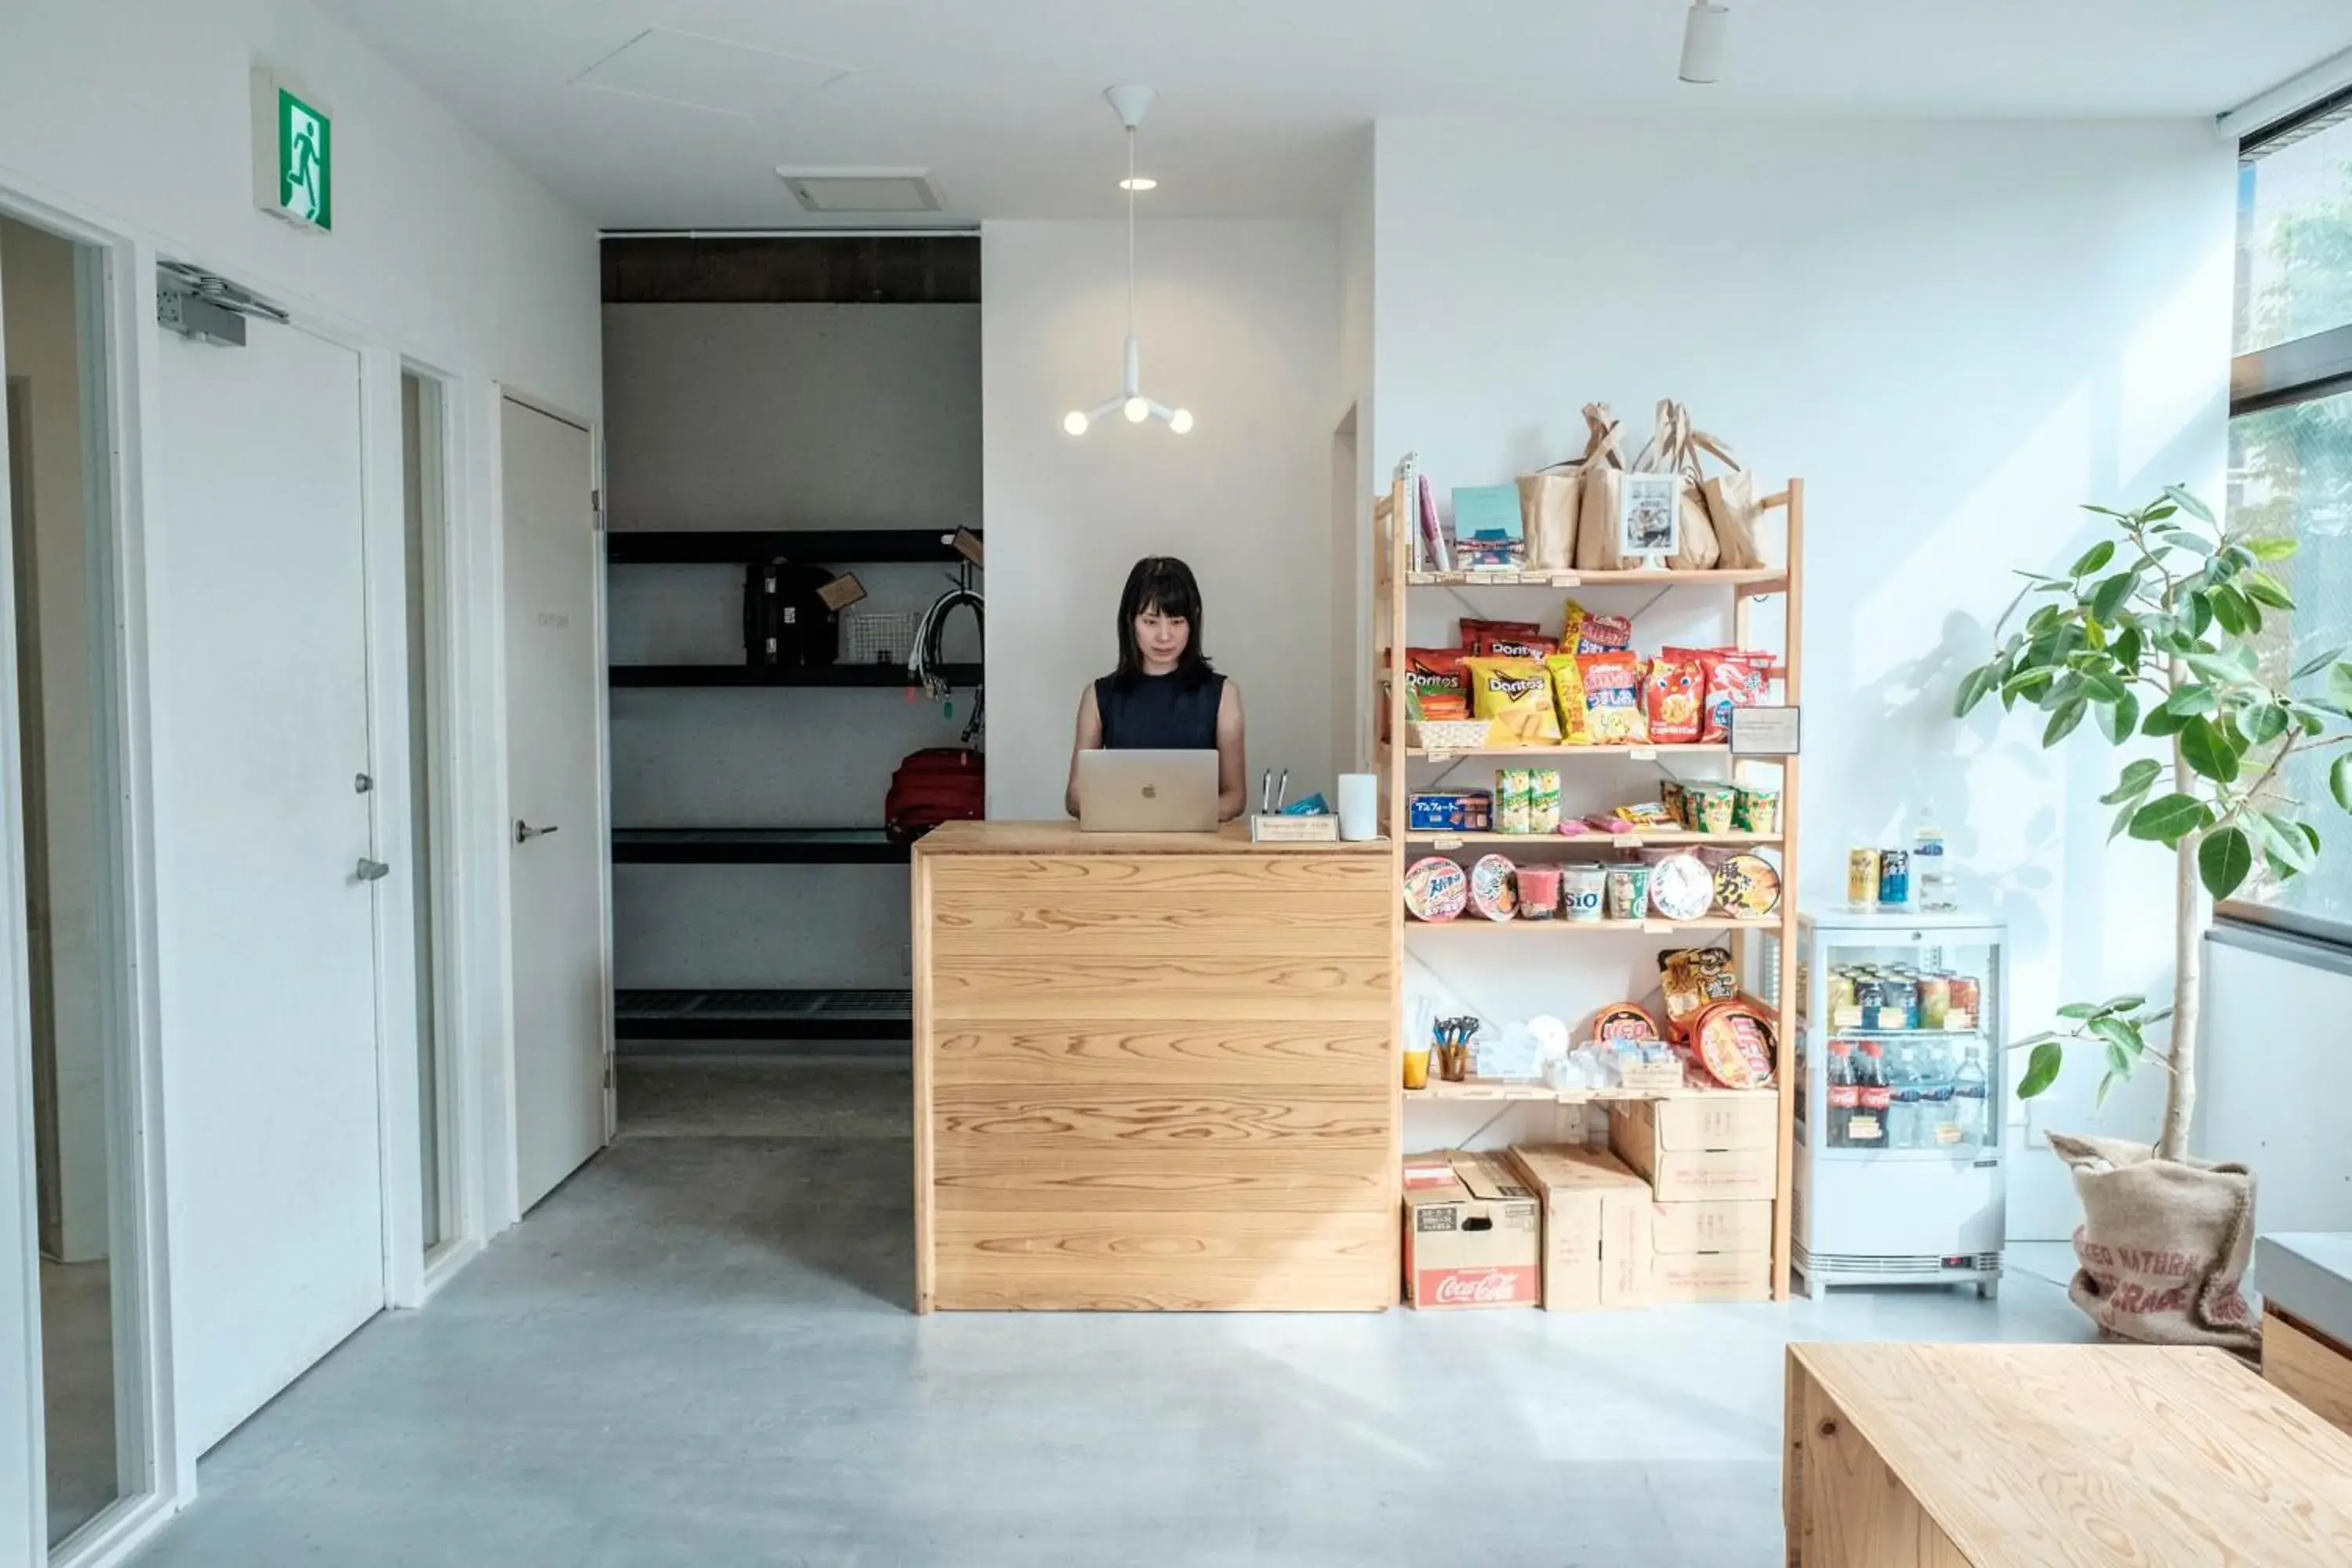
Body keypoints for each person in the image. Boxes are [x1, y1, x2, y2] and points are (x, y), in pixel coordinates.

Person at [1065, 556, 1246, 820]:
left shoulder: (1224, 695)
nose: (1164, 636)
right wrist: (1133, 813)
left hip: (1200, 845)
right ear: (1130, 622)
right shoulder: (1098, 696)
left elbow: (1235, 796)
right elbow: (1075, 795)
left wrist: (1175, 816)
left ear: (1193, 621)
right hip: (1123, 838)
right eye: (1150, 622)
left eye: (1176, 622)